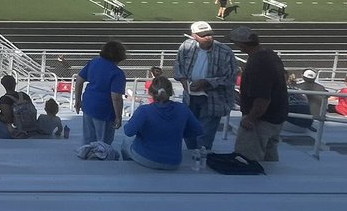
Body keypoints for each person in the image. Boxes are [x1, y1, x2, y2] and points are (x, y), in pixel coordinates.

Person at [173, 21, 238, 154]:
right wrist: (183, 80)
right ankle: (193, 155)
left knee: (205, 134)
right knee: (188, 129)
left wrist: (207, 82)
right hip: (190, 98)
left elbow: (231, 77)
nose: (208, 37)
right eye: (203, 35)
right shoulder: (186, 46)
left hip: (213, 99)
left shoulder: (225, 51)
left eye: (209, 34)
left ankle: (201, 158)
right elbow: (178, 65)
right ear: (194, 35)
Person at [229, 26, 289, 164]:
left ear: (241, 44)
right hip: (276, 116)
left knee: (246, 161)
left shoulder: (258, 62)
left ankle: (250, 185)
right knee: (269, 159)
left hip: (261, 120)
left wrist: (250, 118)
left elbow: (263, 98)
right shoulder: (269, 54)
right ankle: (269, 183)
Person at [121, 76, 203, 170]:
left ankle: (132, 169)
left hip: (147, 158)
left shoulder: (144, 111)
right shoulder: (182, 108)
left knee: (125, 143)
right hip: (174, 161)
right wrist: (180, 133)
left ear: (150, 92)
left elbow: (128, 131)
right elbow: (198, 130)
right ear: (171, 92)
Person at [73, 41, 126, 147]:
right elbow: (116, 97)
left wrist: (77, 100)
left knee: (88, 140)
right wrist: (118, 117)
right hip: (104, 111)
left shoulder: (94, 62)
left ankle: (87, 156)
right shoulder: (117, 73)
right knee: (103, 145)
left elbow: (79, 80)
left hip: (88, 105)